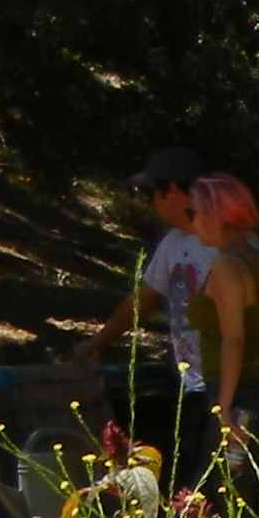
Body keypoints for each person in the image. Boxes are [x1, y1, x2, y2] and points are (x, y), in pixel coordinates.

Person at [92, 145, 218, 485]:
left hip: (231, 389)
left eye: (152, 192)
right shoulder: (174, 243)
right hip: (194, 387)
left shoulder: (231, 245)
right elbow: (143, 299)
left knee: (218, 486)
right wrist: (99, 344)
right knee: (190, 484)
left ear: (175, 191)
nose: (150, 202)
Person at [186, 173, 259, 500]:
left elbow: (234, 339)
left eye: (197, 213)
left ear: (218, 216)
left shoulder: (227, 268)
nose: (193, 221)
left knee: (215, 500)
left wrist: (225, 406)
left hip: (235, 400)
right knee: (254, 498)